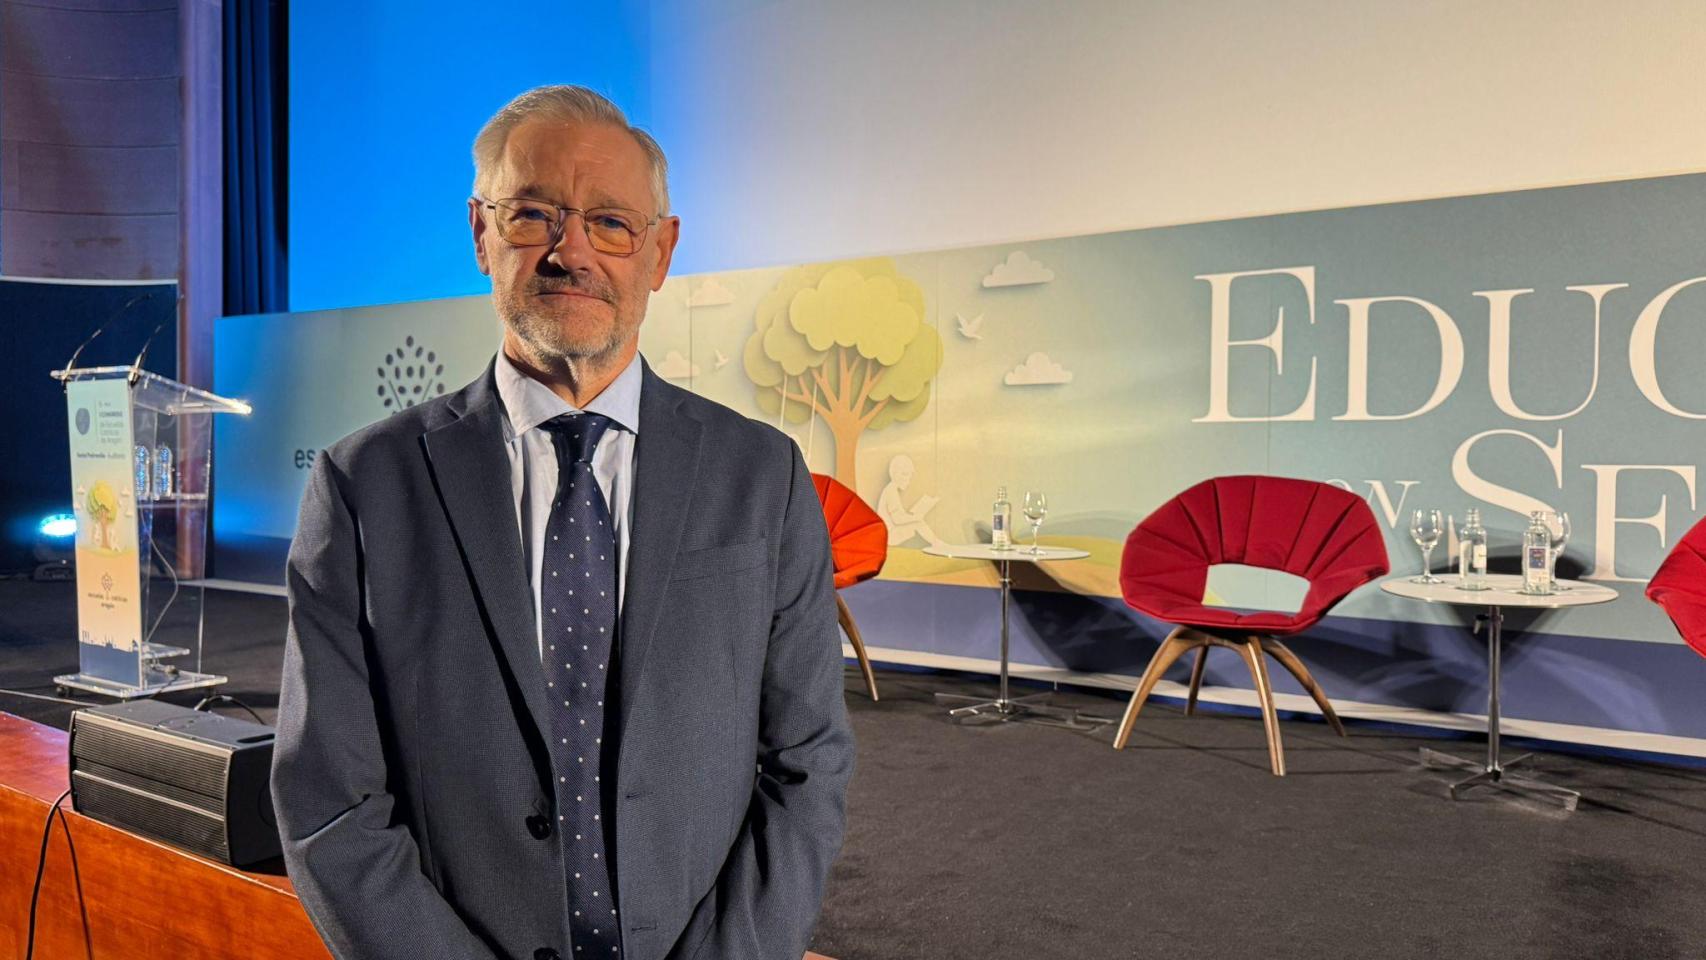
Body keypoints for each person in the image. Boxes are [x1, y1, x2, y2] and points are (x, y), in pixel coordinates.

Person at [271, 85, 854, 960]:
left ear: (661, 252)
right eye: (534, 214)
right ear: (479, 234)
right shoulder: (364, 486)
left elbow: (808, 766)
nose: (571, 251)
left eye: (611, 223)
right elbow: (330, 802)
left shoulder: (761, 476)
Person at [875, 454, 944, 548]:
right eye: (904, 474)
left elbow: (898, 516)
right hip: (890, 535)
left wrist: (914, 516)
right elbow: (897, 519)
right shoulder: (891, 491)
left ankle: (937, 543)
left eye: (909, 475)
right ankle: (938, 544)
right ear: (894, 474)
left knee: (917, 521)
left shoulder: (891, 490)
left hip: (890, 531)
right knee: (918, 522)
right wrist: (917, 517)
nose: (907, 479)